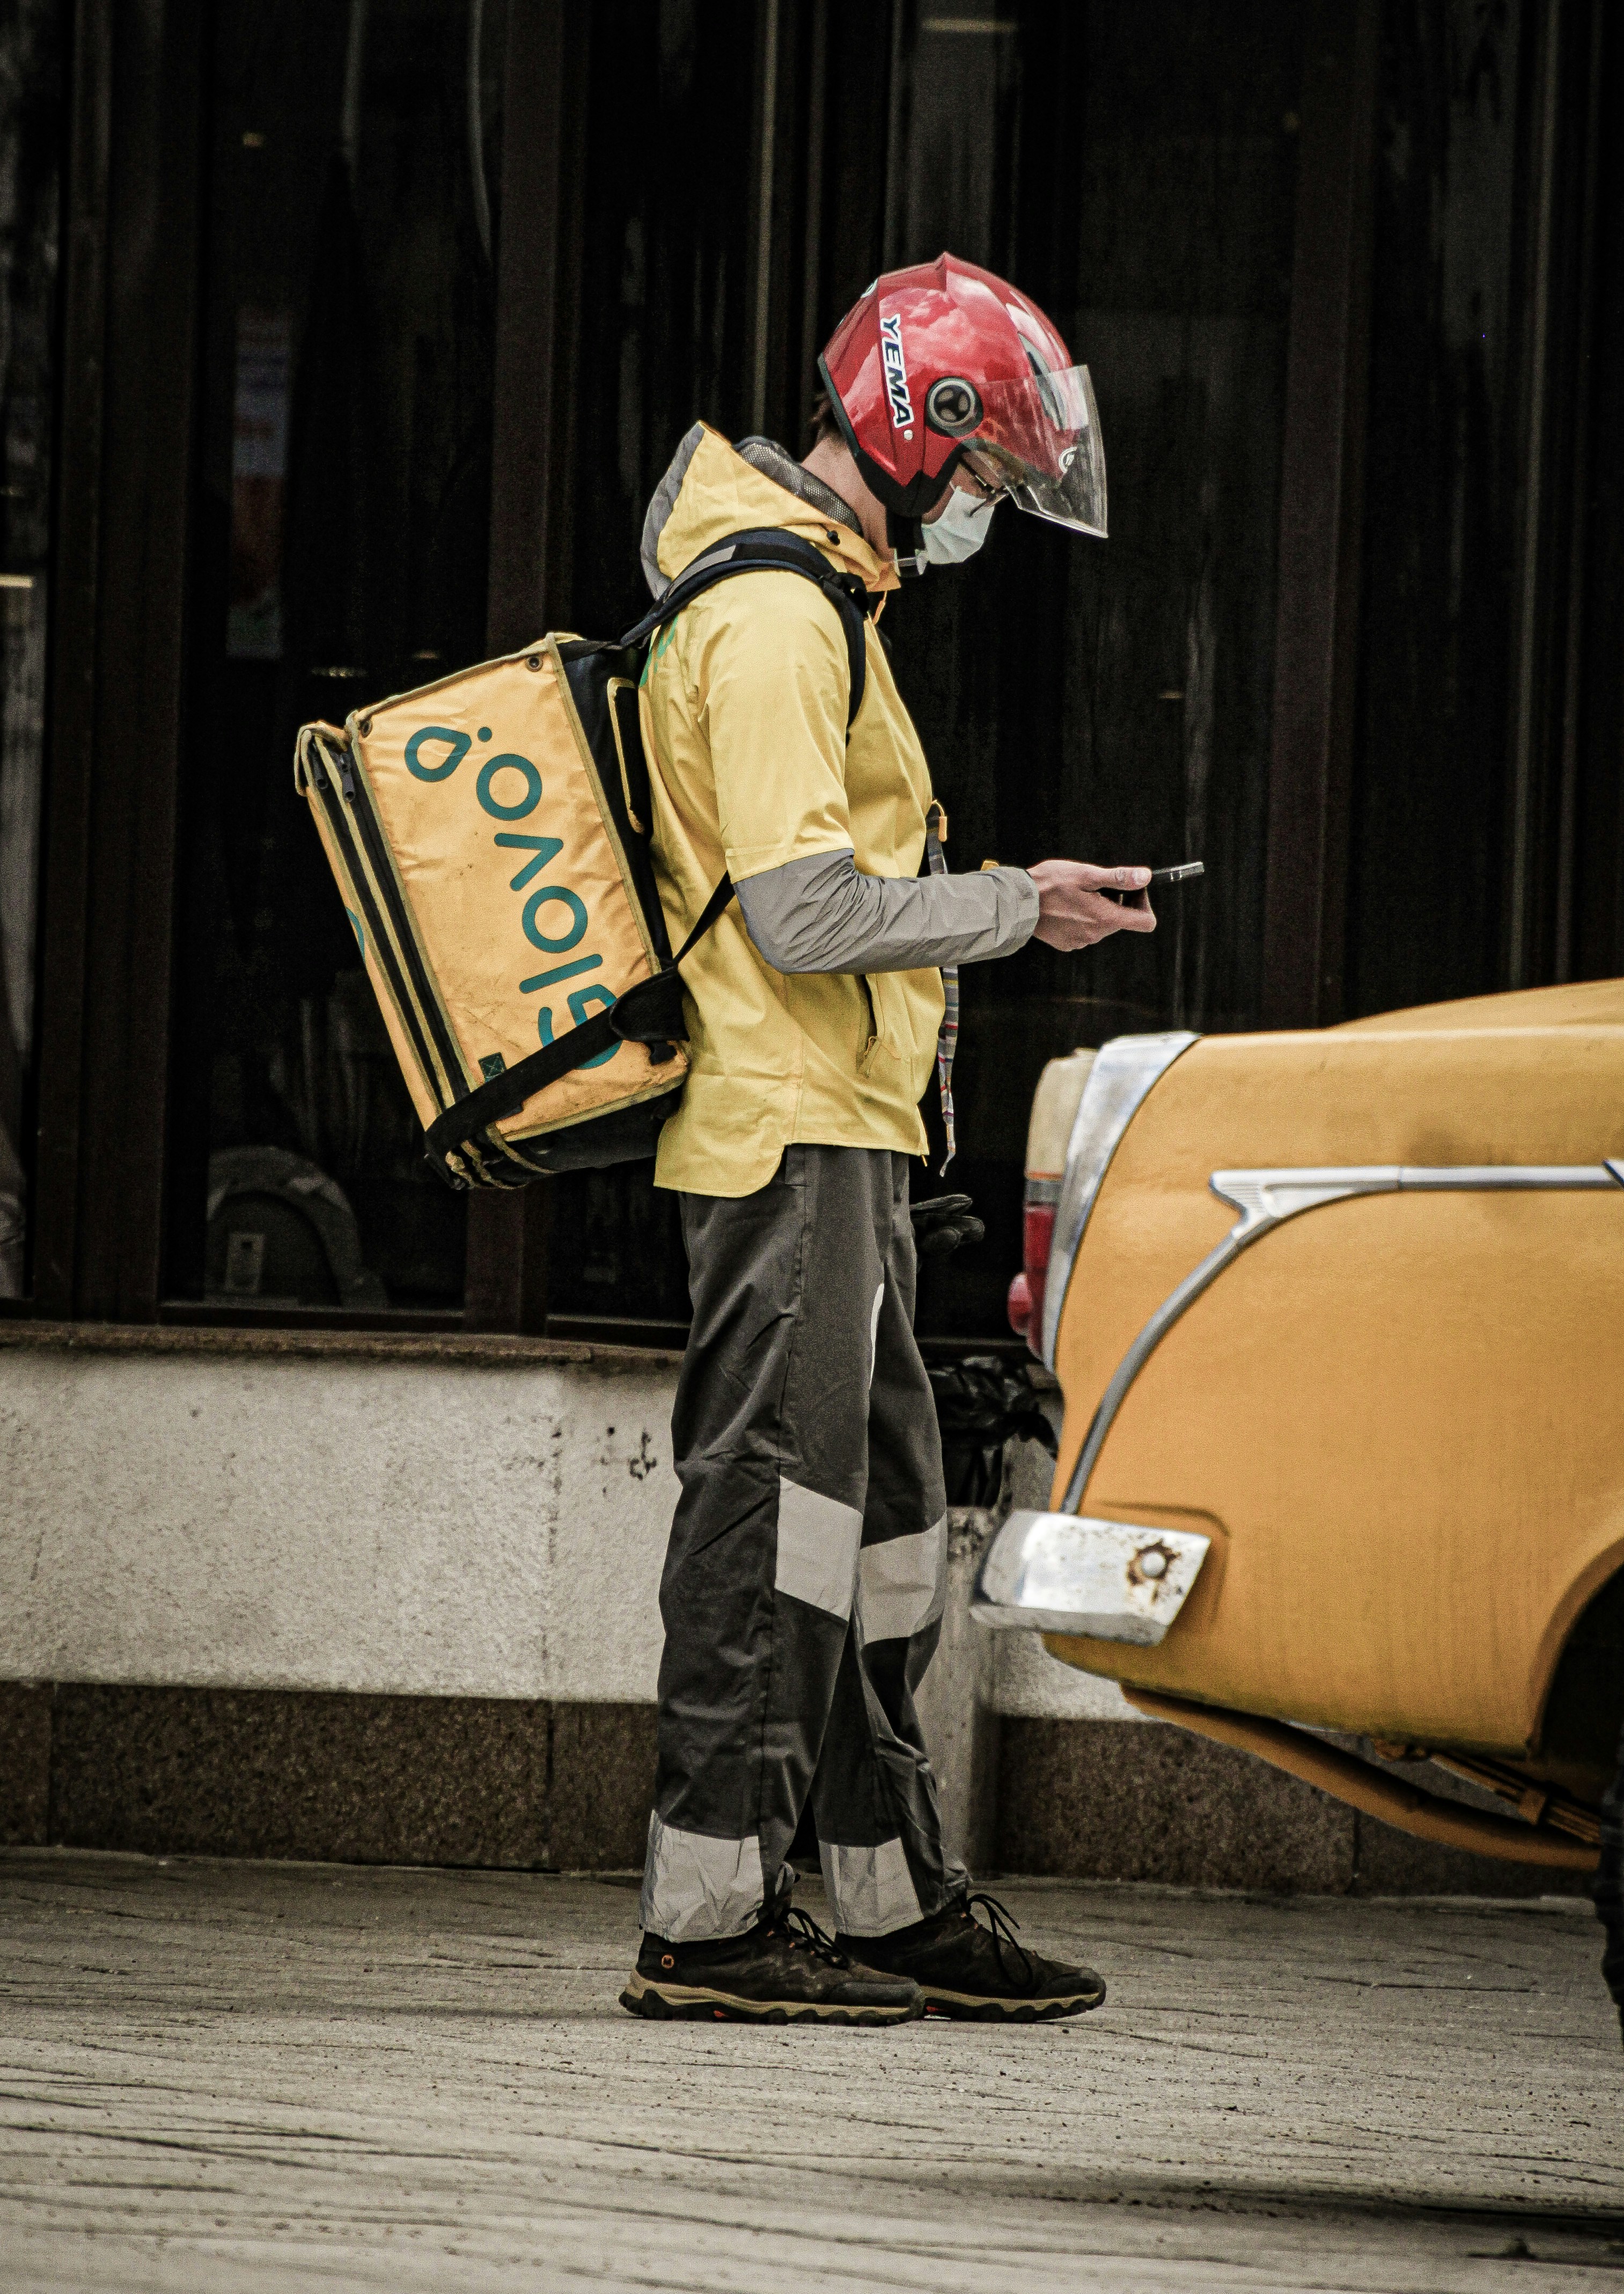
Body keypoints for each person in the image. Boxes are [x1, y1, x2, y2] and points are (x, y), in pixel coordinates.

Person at [619, 254, 1156, 2027]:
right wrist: (1014, 906)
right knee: (771, 1511)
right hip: (781, 1139)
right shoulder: (773, 619)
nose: (985, 515)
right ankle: (709, 1915)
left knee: (885, 1524)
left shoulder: (826, 606)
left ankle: (879, 1889)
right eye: (989, 480)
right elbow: (801, 911)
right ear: (917, 438)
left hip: (841, 1137)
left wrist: (1005, 906)